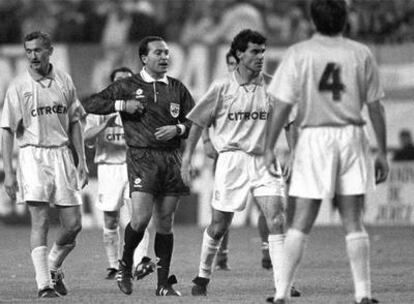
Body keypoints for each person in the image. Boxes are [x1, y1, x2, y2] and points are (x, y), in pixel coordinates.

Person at [264, 1, 389, 303]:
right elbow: (375, 106)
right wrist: (382, 151)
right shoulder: (361, 53)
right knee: (353, 220)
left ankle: (281, 294)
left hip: (313, 137)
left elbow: (281, 106)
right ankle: (363, 294)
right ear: (346, 19)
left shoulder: (299, 53)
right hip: (351, 136)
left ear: (312, 20)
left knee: (301, 220)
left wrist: (268, 147)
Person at [181, 29, 296, 297]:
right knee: (219, 224)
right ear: (239, 54)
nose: (260, 57)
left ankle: (282, 287)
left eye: (262, 52)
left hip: (265, 159)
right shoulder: (221, 87)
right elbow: (197, 122)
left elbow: (290, 123)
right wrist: (187, 157)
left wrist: (292, 153)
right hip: (231, 160)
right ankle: (202, 275)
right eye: (255, 52)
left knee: (277, 218)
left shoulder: (274, 86)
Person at [82, 36, 195, 297]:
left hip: (170, 159)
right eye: (159, 53)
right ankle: (124, 265)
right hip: (142, 158)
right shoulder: (128, 85)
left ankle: (163, 283)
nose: (165, 57)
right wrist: (122, 105)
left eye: (167, 53)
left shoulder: (177, 87)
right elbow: (90, 104)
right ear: (144, 58)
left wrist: (177, 128)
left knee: (165, 222)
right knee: (141, 219)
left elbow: (194, 121)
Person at [1, 31, 88, 298]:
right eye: (28, 51)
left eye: (38, 50)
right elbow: (6, 129)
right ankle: (44, 285)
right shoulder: (18, 86)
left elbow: (75, 121)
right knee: (40, 221)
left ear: (50, 51)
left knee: (74, 224)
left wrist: (81, 159)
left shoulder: (64, 80)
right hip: (32, 155)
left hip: (61, 154)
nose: (32, 56)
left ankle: (52, 266)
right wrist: (9, 172)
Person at [203, 50, 276, 271]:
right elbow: (202, 118)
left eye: (236, 62)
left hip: (258, 156)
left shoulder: (263, 88)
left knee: (267, 208)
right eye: (230, 63)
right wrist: (207, 141)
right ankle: (220, 257)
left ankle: (267, 253)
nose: (234, 67)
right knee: (222, 213)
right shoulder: (221, 89)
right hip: (228, 157)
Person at [84, 67, 153, 280]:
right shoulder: (100, 108)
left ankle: (141, 261)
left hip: (133, 165)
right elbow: (86, 137)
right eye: (118, 81)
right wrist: (105, 123)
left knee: (137, 216)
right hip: (109, 168)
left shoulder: (141, 107)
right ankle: (114, 266)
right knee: (111, 220)